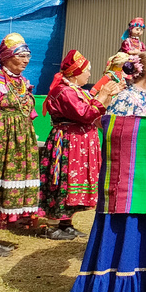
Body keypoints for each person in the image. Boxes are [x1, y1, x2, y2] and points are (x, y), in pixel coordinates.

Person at [66, 52, 146, 292]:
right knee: (124, 229)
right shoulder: (125, 98)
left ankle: (144, 289)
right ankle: (113, 291)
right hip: (126, 180)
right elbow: (114, 133)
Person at [40, 49, 119, 240]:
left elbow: (96, 111)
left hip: (79, 143)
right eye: (87, 70)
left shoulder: (76, 91)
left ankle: (66, 223)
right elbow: (86, 113)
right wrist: (103, 94)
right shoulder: (63, 92)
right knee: (63, 181)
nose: (89, 74)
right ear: (76, 73)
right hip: (67, 142)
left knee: (74, 182)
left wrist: (108, 95)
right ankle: (51, 226)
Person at [0, 33, 42, 254]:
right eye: (21, 56)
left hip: (19, 141)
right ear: (7, 56)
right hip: (1, 141)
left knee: (8, 186)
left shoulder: (22, 81)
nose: (26, 60)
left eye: (28, 56)